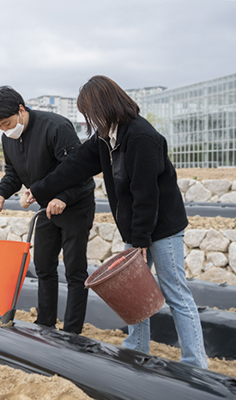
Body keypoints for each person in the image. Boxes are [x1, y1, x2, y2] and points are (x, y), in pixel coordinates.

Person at [28, 75, 208, 368]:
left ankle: (195, 364)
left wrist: (140, 243)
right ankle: (136, 348)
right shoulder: (105, 137)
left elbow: (145, 194)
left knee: (175, 291)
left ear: (105, 105)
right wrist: (38, 191)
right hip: (137, 226)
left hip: (162, 228)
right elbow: (74, 166)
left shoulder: (141, 136)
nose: (90, 119)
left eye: (90, 112)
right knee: (133, 292)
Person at [0, 86, 95, 335]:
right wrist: (2, 192)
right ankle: (46, 324)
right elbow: (13, 173)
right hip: (45, 206)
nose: (5, 129)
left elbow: (79, 171)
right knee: (44, 266)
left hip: (75, 204)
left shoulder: (56, 127)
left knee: (74, 269)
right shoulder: (9, 139)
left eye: (7, 123)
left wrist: (63, 197)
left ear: (21, 110)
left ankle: (72, 331)